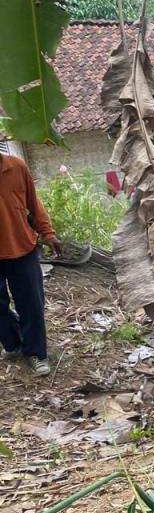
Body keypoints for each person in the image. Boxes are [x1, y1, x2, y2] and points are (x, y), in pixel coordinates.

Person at [0, 153, 63, 376]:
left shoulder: (16, 167)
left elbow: (34, 204)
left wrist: (48, 233)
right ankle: (14, 342)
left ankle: (36, 352)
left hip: (23, 248)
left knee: (32, 304)